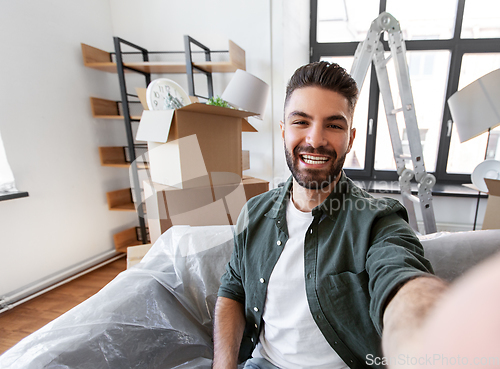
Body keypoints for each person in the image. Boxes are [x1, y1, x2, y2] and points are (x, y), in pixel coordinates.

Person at [212, 61, 448, 369]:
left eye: (333, 125)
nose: (315, 139)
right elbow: (234, 290)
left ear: (350, 139)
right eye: (301, 122)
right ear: (283, 131)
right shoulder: (254, 213)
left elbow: (400, 278)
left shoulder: (378, 220)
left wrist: (425, 328)